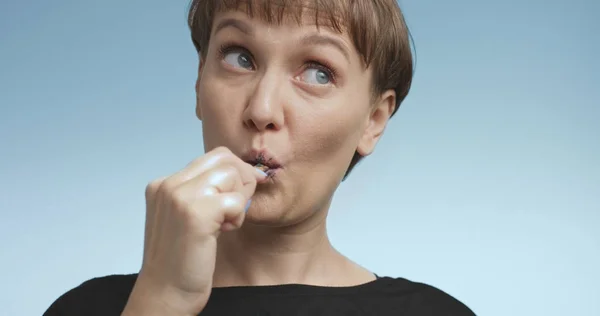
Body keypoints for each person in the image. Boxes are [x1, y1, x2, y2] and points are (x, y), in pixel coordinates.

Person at [44, 0, 476, 315]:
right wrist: (161, 302)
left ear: (374, 120)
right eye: (239, 58)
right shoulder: (92, 308)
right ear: (199, 84)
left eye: (317, 72)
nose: (262, 110)